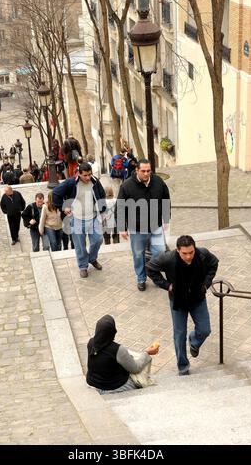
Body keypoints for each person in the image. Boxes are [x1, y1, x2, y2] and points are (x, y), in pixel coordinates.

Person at [146, 235, 219, 376]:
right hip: (178, 301)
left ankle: (194, 341)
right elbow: (150, 268)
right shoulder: (168, 258)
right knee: (179, 335)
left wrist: (206, 284)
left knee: (205, 330)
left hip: (198, 298)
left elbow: (214, 263)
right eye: (184, 253)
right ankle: (183, 366)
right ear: (178, 250)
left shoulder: (202, 254)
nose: (188, 256)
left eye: (191, 252)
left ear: (194, 248)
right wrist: (167, 285)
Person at [115, 159, 171, 291]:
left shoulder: (158, 182)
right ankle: (141, 278)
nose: (146, 174)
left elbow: (166, 199)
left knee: (160, 252)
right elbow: (120, 207)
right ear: (137, 171)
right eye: (143, 171)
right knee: (138, 255)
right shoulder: (126, 186)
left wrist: (166, 218)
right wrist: (122, 227)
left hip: (155, 225)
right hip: (137, 229)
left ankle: (154, 275)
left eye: (148, 171)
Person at [52, 162, 106, 278]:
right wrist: (63, 207)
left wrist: (103, 211)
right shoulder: (71, 183)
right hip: (76, 219)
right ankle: (83, 266)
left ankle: (92, 258)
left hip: (93, 217)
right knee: (80, 245)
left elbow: (102, 195)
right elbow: (55, 192)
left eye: (89, 175)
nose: (88, 177)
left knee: (98, 239)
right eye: (85, 175)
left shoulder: (95, 181)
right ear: (79, 174)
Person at [86, 315, 159, 394]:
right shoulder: (118, 349)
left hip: (94, 384)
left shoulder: (91, 343)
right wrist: (147, 353)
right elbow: (135, 368)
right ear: (113, 332)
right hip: (114, 387)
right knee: (137, 378)